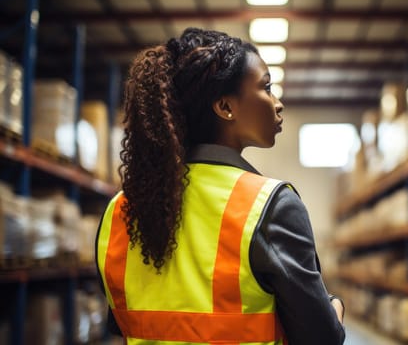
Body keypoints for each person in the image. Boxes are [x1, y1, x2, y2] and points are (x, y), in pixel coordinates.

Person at [95, 28, 345, 344]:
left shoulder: (120, 211)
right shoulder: (269, 206)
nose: (277, 103)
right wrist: (336, 307)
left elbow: (121, 322)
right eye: (266, 88)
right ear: (225, 107)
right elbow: (321, 338)